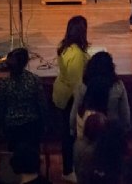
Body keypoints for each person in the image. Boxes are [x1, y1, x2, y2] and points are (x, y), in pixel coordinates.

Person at [52, 16, 90, 182]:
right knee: (69, 135)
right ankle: (68, 170)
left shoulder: (65, 46)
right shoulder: (76, 54)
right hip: (69, 99)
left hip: (61, 93)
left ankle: (69, 168)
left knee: (67, 134)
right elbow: (77, 85)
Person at [0, 48, 48, 151]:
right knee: (32, 154)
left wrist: (0, 125)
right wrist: (45, 123)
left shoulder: (5, 83)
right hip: (31, 124)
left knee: (14, 155)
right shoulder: (34, 79)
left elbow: (1, 106)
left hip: (11, 125)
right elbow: (42, 104)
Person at [70, 51, 130, 136]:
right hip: (112, 135)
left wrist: (74, 132)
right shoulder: (118, 86)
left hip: (88, 136)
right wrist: (122, 134)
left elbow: (73, 117)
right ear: (111, 68)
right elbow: (125, 116)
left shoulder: (82, 86)